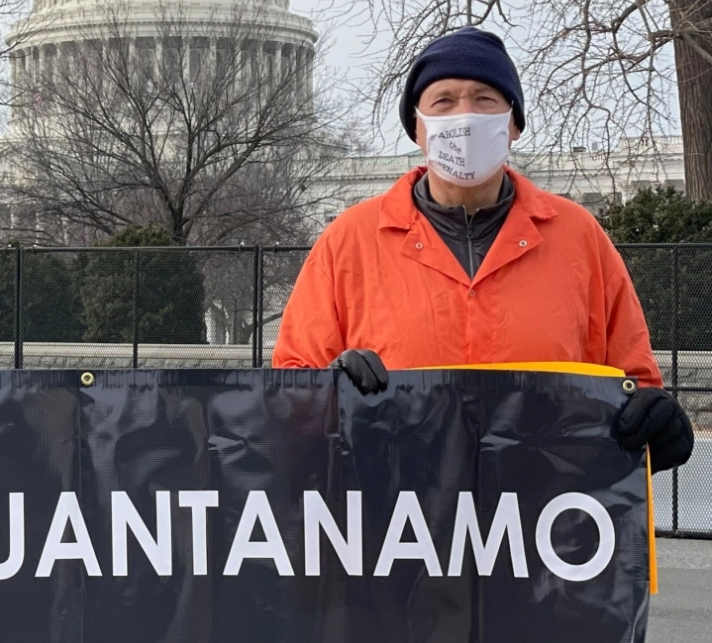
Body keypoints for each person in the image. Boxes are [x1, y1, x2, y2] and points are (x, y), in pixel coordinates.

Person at [273, 27, 694, 474]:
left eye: (485, 99)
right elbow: (285, 398)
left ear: (513, 123)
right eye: (444, 101)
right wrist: (326, 390)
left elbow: (632, 385)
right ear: (417, 126)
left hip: (544, 527)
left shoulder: (579, 239)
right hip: (398, 527)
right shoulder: (348, 242)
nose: (465, 115)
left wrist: (656, 425)